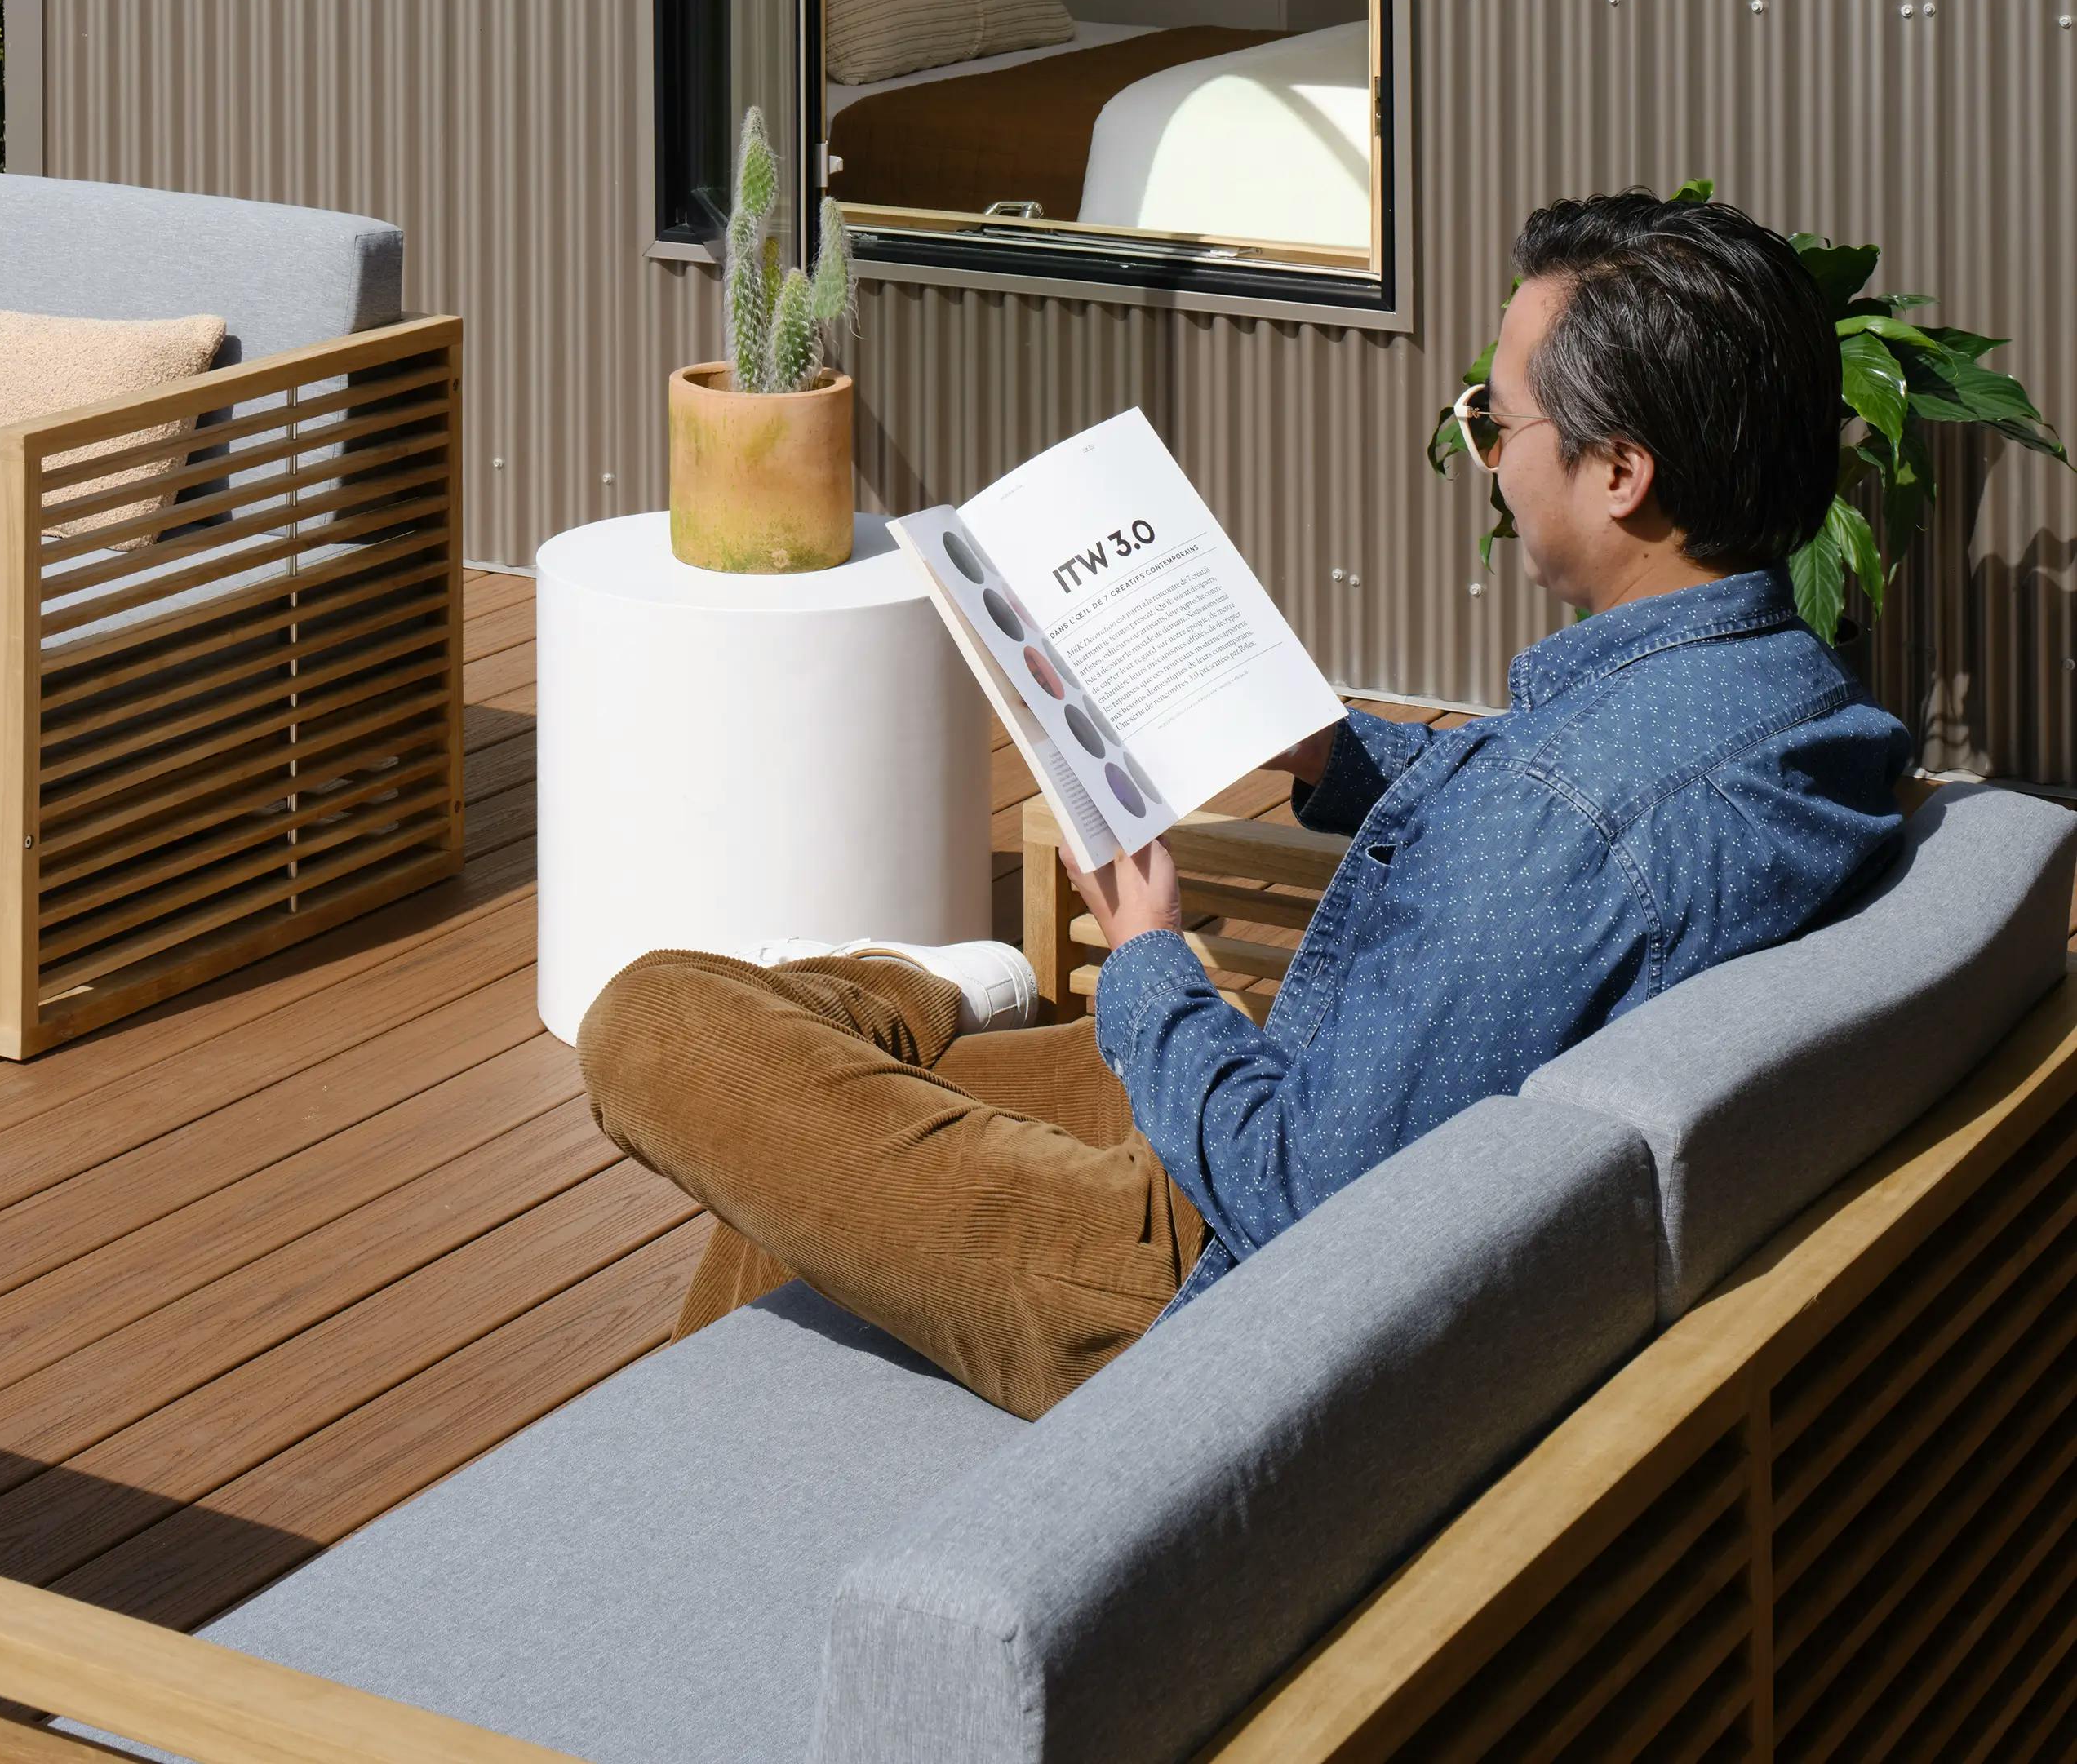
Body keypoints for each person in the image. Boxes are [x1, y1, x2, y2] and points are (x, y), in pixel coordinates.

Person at [576, 190, 1908, 1419]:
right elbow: (1549, 841)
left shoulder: (1558, 828)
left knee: (659, 1023)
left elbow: (1300, 1187)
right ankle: (677, 1477)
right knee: (813, 1114)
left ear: (1620, 474)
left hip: (1196, 1277)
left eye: (1495, 423)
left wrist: (1150, 956)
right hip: (1349, 1113)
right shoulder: (1791, 705)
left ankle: (916, 991)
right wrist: (1333, 751)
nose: (1487, 454)